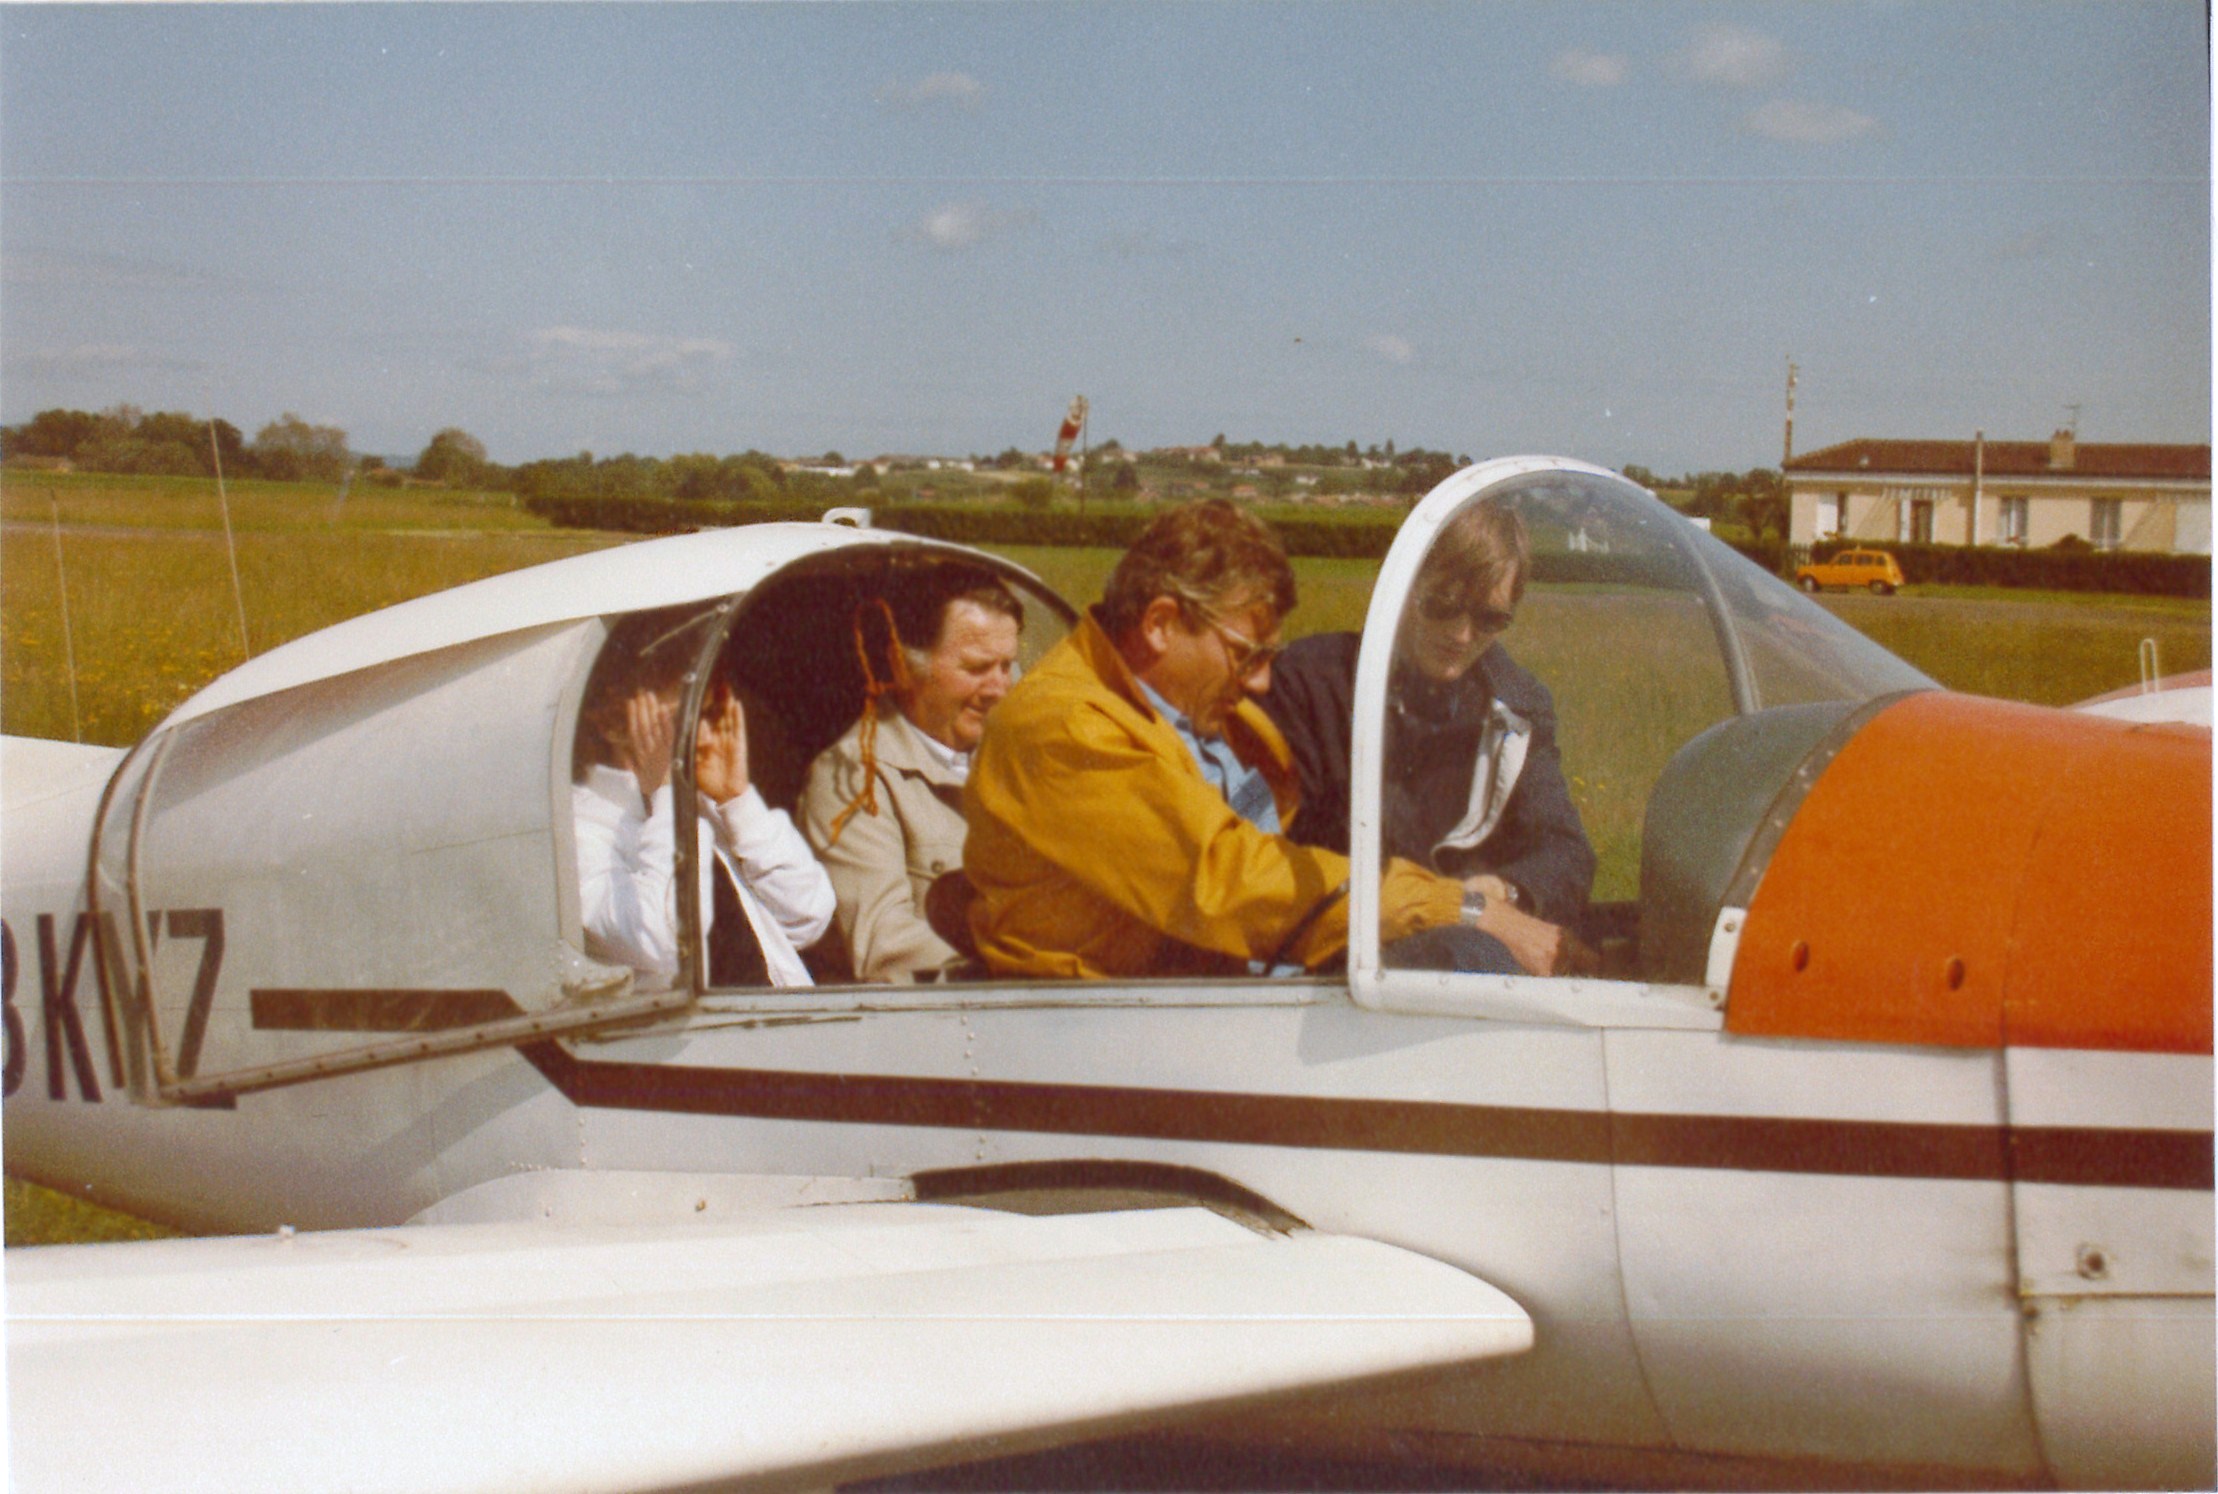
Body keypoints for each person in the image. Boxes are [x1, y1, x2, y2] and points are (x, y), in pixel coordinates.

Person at [962, 499, 1492, 981]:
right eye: (1246, 654)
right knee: (1466, 956)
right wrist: (1455, 906)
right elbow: (1228, 880)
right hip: (1101, 1035)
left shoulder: (1197, 716)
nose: (1261, 682)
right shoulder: (1063, 727)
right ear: (1161, 624)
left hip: (1218, 995)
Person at [1263, 501, 1597, 977]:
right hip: (1335, 961)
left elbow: (1566, 850)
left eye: (1490, 619)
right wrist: (1464, 910)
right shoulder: (1309, 685)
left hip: (1464, 951)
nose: (1461, 636)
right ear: (1402, 587)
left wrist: (1504, 892)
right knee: (1474, 958)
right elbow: (1260, 863)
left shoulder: (1516, 706)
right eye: (1441, 606)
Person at [573, 612, 834, 987]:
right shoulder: (582, 832)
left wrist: (738, 801)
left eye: (710, 714)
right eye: (684, 719)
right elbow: (665, 938)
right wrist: (667, 798)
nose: (708, 737)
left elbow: (810, 916)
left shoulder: (706, 809)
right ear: (611, 719)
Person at [800, 566, 1024, 982]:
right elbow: (885, 945)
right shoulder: (854, 777)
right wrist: (1018, 980)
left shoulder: (1021, 760)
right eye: (977, 668)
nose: (999, 688)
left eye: (1007, 666)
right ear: (903, 665)